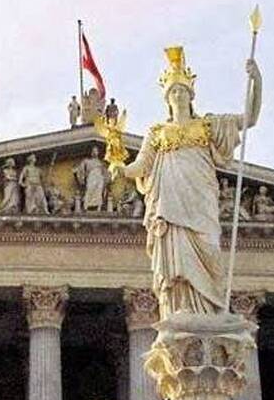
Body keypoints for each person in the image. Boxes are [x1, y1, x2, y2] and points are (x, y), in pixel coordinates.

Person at [114, 47, 261, 320]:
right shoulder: (157, 133)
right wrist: (120, 168)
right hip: (169, 206)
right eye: (173, 92)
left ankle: (209, 314)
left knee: (210, 253)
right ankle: (180, 314)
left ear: (191, 96)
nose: (178, 95)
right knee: (176, 268)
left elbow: (249, 118)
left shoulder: (207, 126)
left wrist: (256, 81)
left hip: (201, 202)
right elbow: (141, 166)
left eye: (182, 91)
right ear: (167, 99)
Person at [74, 146, 108, 211]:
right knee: (89, 190)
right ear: (91, 153)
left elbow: (105, 173)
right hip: (91, 177)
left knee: (99, 192)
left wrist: (105, 179)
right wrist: (79, 174)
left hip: (99, 178)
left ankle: (98, 207)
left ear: (98, 153)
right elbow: (80, 169)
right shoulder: (86, 161)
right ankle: (86, 206)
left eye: (96, 151)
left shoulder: (101, 163)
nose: (95, 152)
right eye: (93, 151)